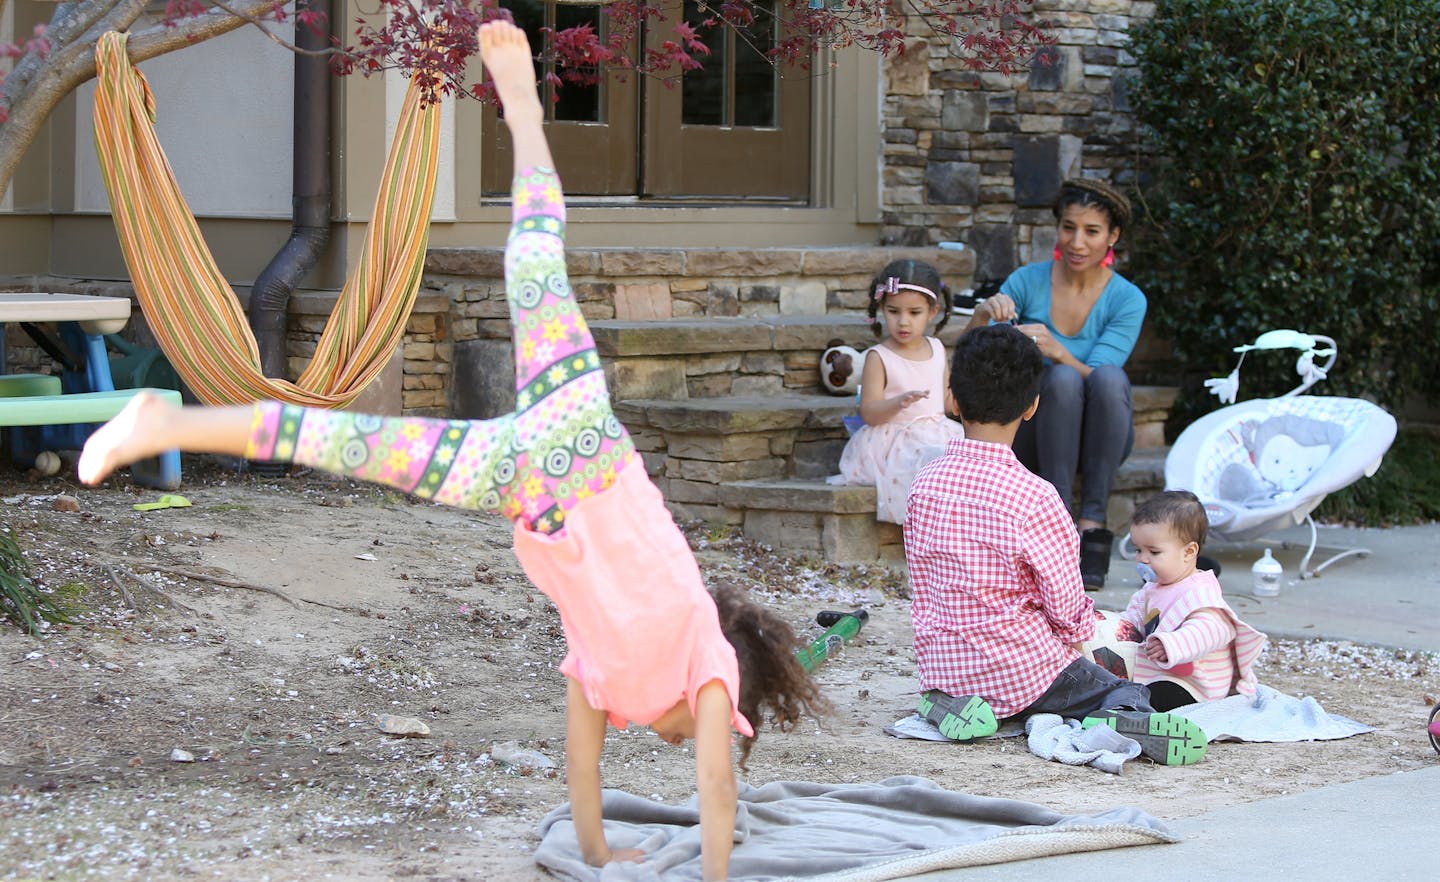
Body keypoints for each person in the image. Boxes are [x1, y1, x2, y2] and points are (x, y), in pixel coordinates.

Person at [77, 21, 824, 882]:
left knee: (455, 327)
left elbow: (584, 770)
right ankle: (520, 107)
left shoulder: (610, 680)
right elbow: (715, 792)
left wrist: (595, 850)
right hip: (558, 457)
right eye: (709, 737)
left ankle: (167, 424)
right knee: (349, 431)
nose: (680, 745)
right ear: (732, 714)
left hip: (549, 453)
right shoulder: (704, 654)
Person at [903, 323, 1207, 766]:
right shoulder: (1035, 497)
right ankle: (1119, 714)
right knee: (1120, 686)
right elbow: (1066, 610)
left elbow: (923, 582)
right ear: (1032, 407)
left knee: (954, 681)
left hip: (946, 667)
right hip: (1024, 671)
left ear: (952, 399)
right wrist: (1092, 630)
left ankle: (944, 702)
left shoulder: (923, 484)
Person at [965, 178, 1146, 589]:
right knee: (1060, 380)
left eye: (1092, 231)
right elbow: (981, 356)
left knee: (1101, 376)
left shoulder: (1127, 298)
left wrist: (1059, 350)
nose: (1077, 242)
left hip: (1104, 434)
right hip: (1036, 430)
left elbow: (1102, 377)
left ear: (1112, 236)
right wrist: (981, 318)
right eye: (1068, 227)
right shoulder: (1027, 281)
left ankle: (1093, 527)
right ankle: (1060, 522)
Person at [830, 259, 962, 525]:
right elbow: (869, 412)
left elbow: (946, 402)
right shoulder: (879, 357)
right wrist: (898, 403)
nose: (903, 322)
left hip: (937, 429)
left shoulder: (937, 349)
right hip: (895, 438)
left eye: (914, 313)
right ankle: (922, 530)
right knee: (926, 462)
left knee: (958, 460)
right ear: (881, 308)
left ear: (932, 311)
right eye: (893, 311)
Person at [1118, 490, 1267, 711]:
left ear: (1188, 552)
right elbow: (1132, 621)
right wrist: (1110, 628)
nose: (1142, 559)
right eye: (1138, 550)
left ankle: (1145, 721)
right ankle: (1125, 710)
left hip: (1195, 686)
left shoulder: (1198, 591)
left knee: (1158, 695)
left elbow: (1212, 630)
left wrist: (1172, 644)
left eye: (1154, 552)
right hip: (1161, 675)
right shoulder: (1150, 590)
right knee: (1120, 685)